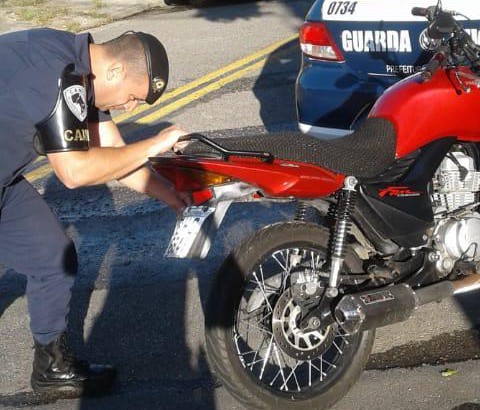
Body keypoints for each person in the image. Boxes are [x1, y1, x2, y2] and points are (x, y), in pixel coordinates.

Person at [0, 28, 190, 395]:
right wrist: (154, 143)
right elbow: (74, 172)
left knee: (52, 256)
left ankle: (51, 369)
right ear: (116, 71)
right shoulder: (57, 74)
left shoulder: (81, 69)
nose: (129, 108)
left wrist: (171, 195)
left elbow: (115, 154)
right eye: (133, 98)